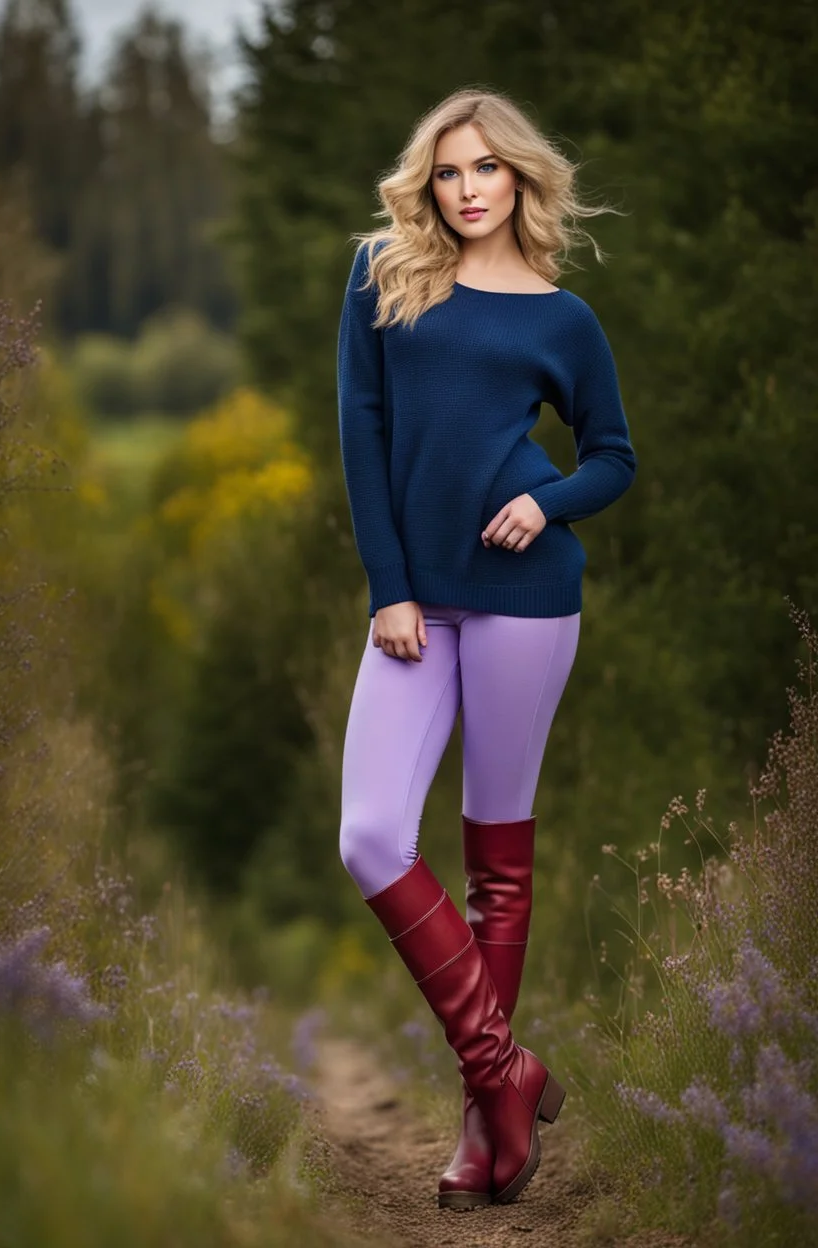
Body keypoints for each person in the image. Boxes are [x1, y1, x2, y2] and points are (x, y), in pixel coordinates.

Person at [336, 87, 636, 1211]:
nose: (467, 191)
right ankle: (506, 1072)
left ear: (519, 180)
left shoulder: (562, 319)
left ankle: (488, 1133)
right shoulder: (382, 275)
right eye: (449, 172)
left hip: (527, 598)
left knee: (495, 863)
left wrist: (549, 503)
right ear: (429, 181)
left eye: (486, 171)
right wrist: (390, 588)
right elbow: (360, 431)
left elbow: (612, 455)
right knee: (371, 835)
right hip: (416, 608)